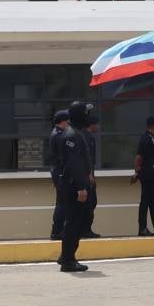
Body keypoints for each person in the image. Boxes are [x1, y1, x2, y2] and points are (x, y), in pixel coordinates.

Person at [58, 100, 95, 273]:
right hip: (74, 186)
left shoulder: (75, 132)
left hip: (76, 183)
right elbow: (73, 163)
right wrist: (81, 186)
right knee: (74, 222)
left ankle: (66, 256)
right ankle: (68, 260)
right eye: (85, 114)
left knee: (77, 221)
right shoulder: (72, 134)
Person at [132, 116, 154, 236]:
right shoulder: (146, 139)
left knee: (153, 202)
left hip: (151, 175)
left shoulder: (151, 138)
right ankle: (142, 228)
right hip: (146, 175)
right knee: (145, 202)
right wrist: (136, 172)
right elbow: (139, 157)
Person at [48, 110, 70, 240]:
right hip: (60, 173)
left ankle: (59, 230)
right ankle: (57, 231)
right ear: (63, 121)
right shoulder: (58, 135)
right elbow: (63, 156)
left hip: (59, 172)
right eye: (67, 120)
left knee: (63, 203)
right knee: (62, 203)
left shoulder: (58, 133)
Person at [82, 114, 101, 239]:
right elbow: (87, 158)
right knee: (90, 202)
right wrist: (90, 174)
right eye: (97, 124)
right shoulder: (87, 137)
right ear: (92, 125)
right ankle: (85, 229)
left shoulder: (87, 136)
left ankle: (86, 228)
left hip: (89, 172)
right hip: (87, 174)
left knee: (92, 202)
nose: (98, 127)